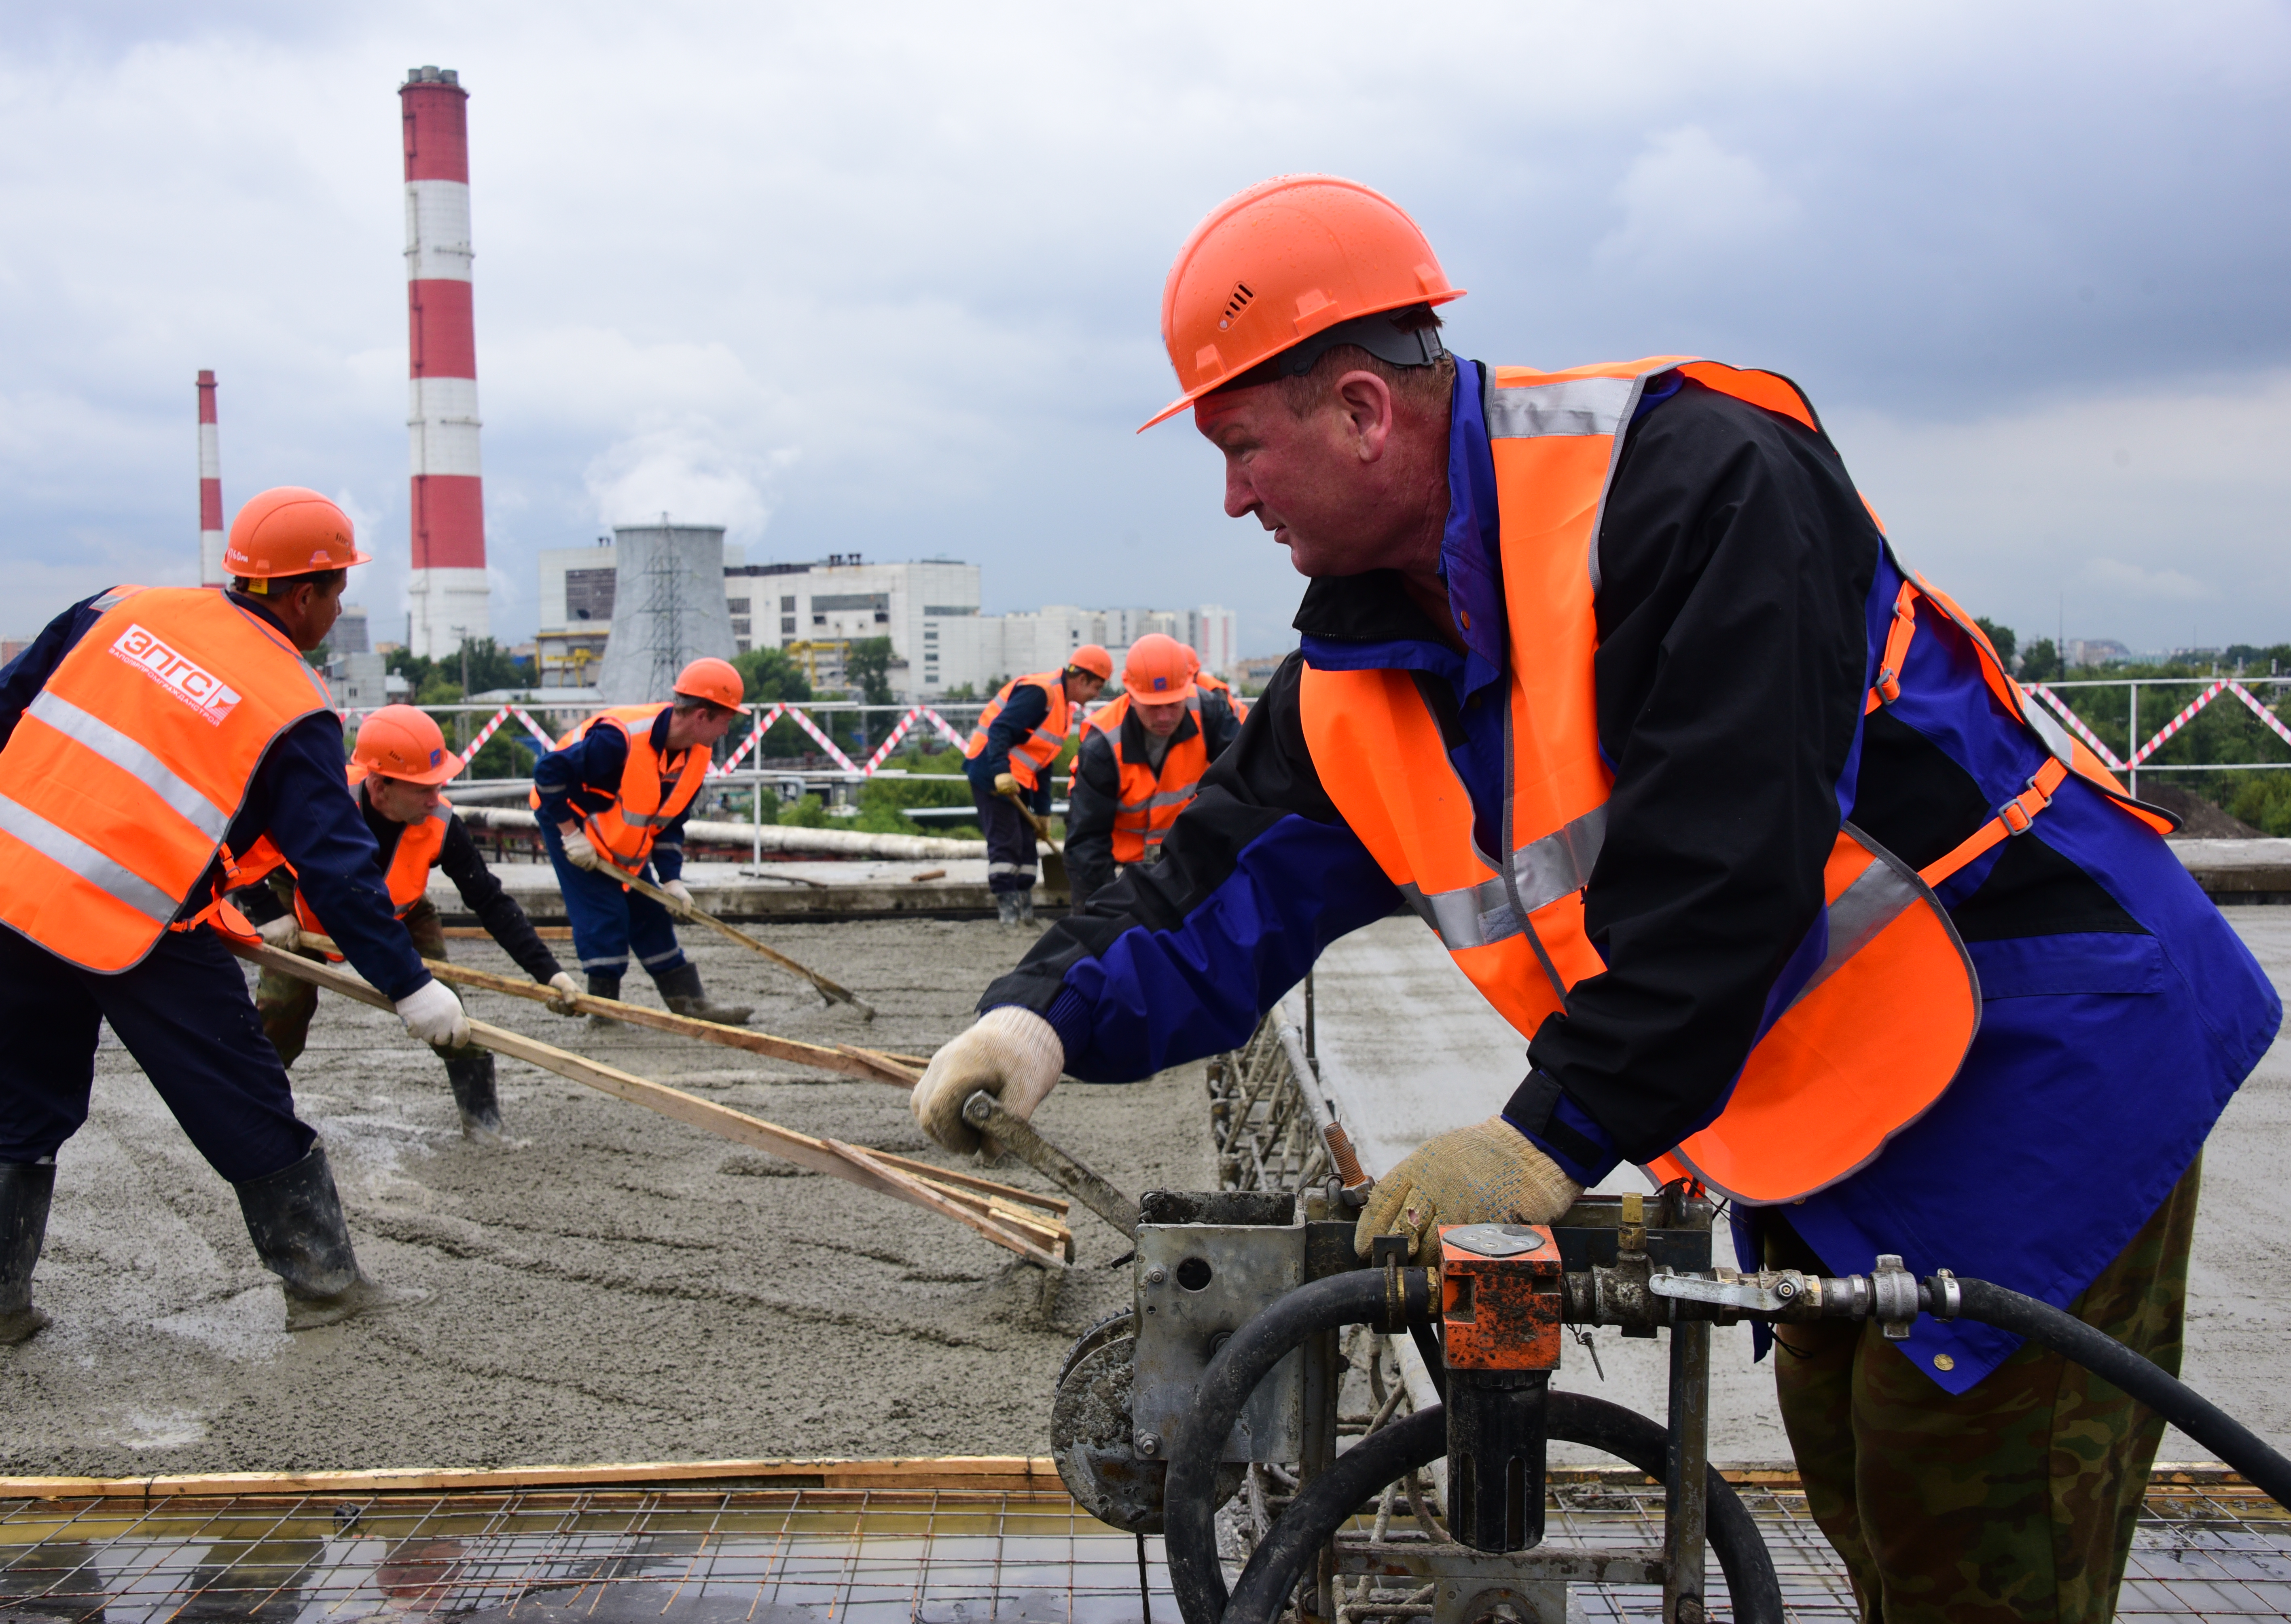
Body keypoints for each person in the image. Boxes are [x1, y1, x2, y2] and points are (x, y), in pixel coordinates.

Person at [909, 176, 2280, 1621]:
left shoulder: (1697, 482)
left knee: (1970, 1550)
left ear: (1362, 411)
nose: (1232, 496)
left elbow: (1727, 867)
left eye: (1242, 447)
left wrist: (1538, 1139)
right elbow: (1206, 893)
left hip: (2038, 1066)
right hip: (1825, 1101)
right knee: (1876, 1519)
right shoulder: (1362, 672)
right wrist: (1032, 1024)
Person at [0, 486, 472, 1342]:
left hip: (4, 884)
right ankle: (324, 1285)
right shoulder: (289, 702)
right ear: (304, 594)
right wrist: (412, 988)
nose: (337, 608)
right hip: (134, 917)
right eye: (338, 593)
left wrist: (19, 825)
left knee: (22, 1101)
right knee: (241, 1088)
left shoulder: (117, 609)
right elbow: (338, 871)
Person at [233, 703, 580, 1139]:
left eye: (438, 786)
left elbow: (489, 901)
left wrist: (550, 973)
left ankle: (483, 1125)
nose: (437, 799)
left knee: (451, 1016)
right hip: (303, 907)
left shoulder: (440, 822)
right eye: (423, 789)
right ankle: (255, 1118)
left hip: (403, 914)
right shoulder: (317, 798)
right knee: (282, 1011)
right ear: (380, 787)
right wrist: (265, 908)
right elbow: (236, 838)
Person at [532, 657, 753, 1025]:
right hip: (572, 830)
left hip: (622, 846)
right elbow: (548, 772)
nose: (727, 729)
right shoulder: (619, 738)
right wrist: (571, 834)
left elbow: (670, 823)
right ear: (701, 716)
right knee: (606, 917)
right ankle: (604, 1014)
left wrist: (671, 880)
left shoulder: (697, 756)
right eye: (726, 719)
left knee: (650, 913)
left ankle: (690, 1004)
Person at [1064, 634, 1241, 908]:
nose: (1165, 717)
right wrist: (1100, 913)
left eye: (1173, 704)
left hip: (1189, 857)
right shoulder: (1103, 747)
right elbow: (1088, 844)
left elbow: (1244, 787)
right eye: (1154, 706)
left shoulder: (1211, 714)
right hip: (1125, 865)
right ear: (1131, 696)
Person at [963, 646, 1111, 926]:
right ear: (1081, 679)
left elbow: (1044, 763)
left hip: (1019, 780)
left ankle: (1026, 912)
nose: (1097, 695)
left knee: (1027, 847)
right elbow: (999, 729)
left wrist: (1043, 813)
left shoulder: (1063, 712)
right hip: (991, 773)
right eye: (1097, 687)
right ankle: (1009, 915)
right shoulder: (1040, 692)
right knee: (1007, 843)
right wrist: (1000, 772)